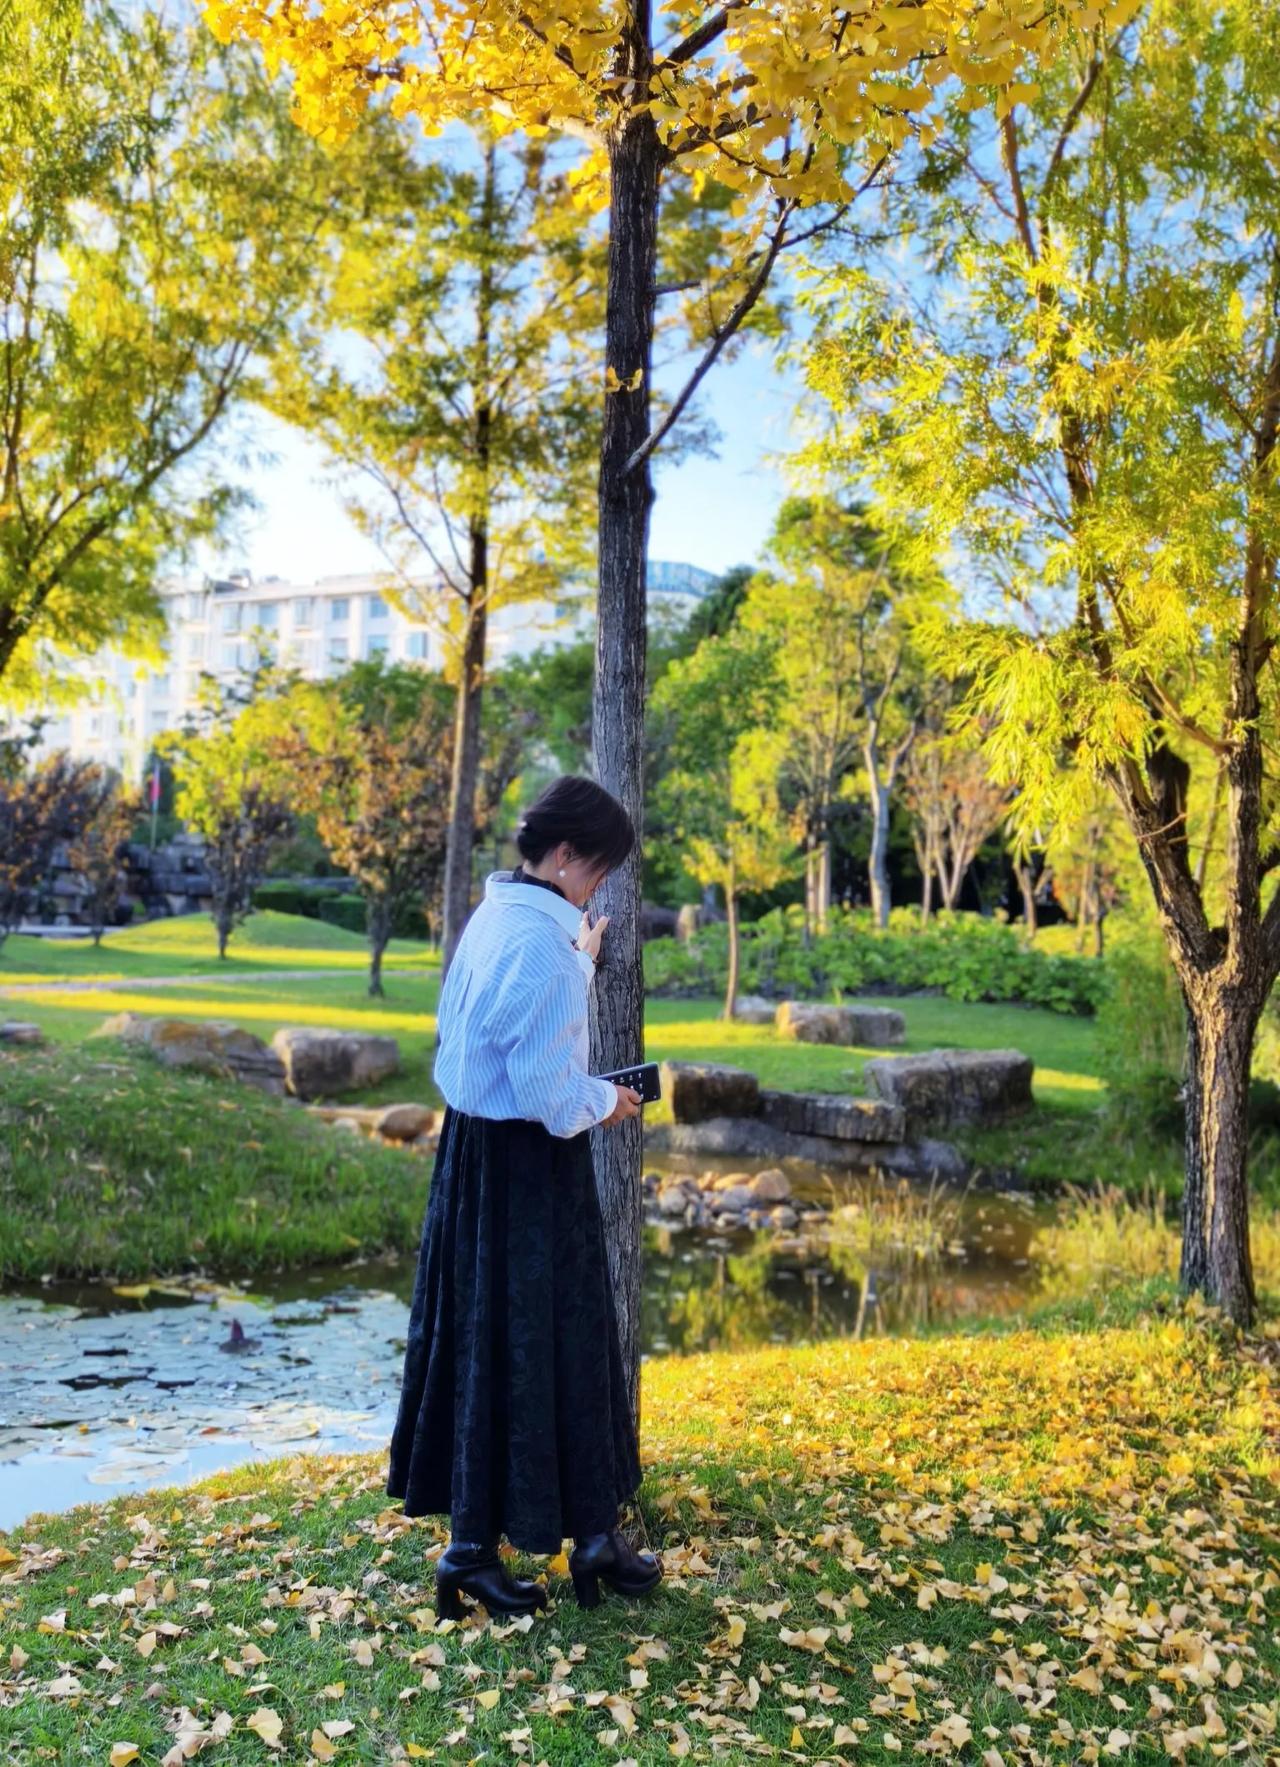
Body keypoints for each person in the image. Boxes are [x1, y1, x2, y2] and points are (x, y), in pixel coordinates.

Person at [387, 774, 664, 1620]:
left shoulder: (498, 915)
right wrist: (607, 1101)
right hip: (531, 1168)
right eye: (600, 870)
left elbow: (500, 1028)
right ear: (569, 854)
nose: (599, 887)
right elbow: (550, 1091)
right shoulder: (542, 946)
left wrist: (581, 961)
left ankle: (516, 1543)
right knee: (559, 1342)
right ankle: (564, 1543)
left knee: (486, 1344)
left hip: (472, 1156)